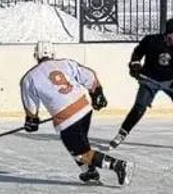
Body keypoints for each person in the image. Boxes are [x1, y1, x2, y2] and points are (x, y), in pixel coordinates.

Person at [19, 41, 130, 185]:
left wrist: (31, 120)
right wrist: (97, 94)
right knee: (77, 145)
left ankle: (119, 165)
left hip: (67, 119)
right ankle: (89, 172)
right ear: (53, 54)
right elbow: (89, 76)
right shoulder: (66, 63)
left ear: (36, 56)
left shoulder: (29, 78)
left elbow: (31, 106)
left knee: (81, 152)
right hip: (84, 109)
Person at [110, 17, 173, 149]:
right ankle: (121, 134)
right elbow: (138, 52)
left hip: (170, 81)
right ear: (168, 35)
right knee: (139, 108)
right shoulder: (151, 41)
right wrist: (135, 64)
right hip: (149, 79)